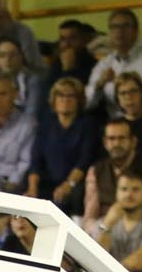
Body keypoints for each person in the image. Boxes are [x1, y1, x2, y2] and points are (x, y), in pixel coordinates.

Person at [87, 8, 142, 112]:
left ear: (136, 31)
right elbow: (87, 102)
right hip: (116, 123)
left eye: (125, 26)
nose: (119, 31)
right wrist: (99, 85)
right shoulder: (104, 64)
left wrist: (136, 92)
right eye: (114, 27)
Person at [26, 79, 96, 212]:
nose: (65, 100)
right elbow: (35, 162)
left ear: (79, 100)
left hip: (76, 183)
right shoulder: (45, 127)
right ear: (54, 100)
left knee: (66, 199)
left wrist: (68, 184)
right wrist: (32, 189)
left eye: (71, 96)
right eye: (61, 95)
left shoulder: (88, 125)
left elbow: (85, 160)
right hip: (47, 182)